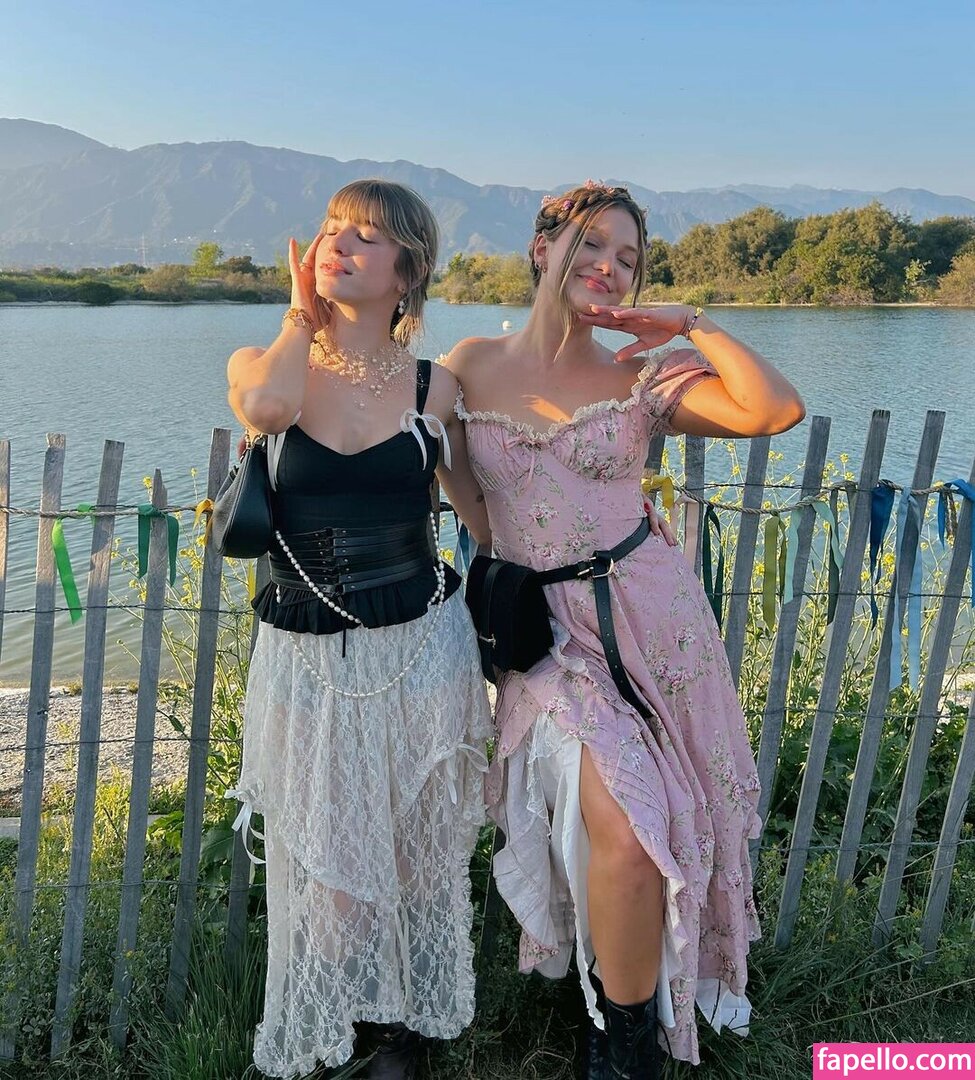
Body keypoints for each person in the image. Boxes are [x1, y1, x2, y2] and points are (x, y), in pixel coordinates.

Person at [445, 181, 805, 1078]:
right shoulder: (469, 365)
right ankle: (626, 1033)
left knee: (652, 827)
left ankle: (623, 1043)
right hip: (545, 637)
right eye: (591, 244)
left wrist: (691, 323)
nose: (608, 266)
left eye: (629, 258)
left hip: (651, 621)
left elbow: (774, 410)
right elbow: (450, 475)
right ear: (542, 247)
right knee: (629, 824)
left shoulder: (638, 379)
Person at [224, 179, 493, 1079]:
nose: (338, 245)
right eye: (332, 229)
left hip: (422, 644)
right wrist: (298, 319)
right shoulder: (262, 363)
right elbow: (265, 414)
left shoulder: (433, 385)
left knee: (413, 847)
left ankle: (398, 1034)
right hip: (304, 657)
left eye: (366, 236)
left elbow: (477, 509)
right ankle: (332, 1021)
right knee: (327, 855)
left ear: (407, 271)